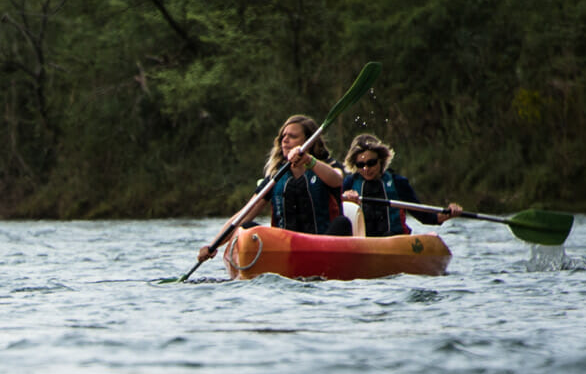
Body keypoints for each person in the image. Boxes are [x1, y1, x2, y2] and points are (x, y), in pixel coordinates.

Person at [197, 114, 345, 266]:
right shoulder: (276, 177)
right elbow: (244, 214)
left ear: (309, 142)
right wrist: (213, 245)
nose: (285, 140)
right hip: (285, 249)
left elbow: (337, 179)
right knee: (247, 229)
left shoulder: (329, 166)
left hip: (324, 246)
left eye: (292, 136)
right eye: (283, 136)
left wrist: (308, 160)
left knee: (342, 223)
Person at [337, 134, 461, 236]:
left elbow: (426, 217)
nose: (366, 169)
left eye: (371, 163)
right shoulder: (349, 183)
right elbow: (334, 214)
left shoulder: (398, 183)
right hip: (362, 243)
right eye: (360, 165)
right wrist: (345, 198)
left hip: (394, 240)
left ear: (381, 160)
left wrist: (449, 213)